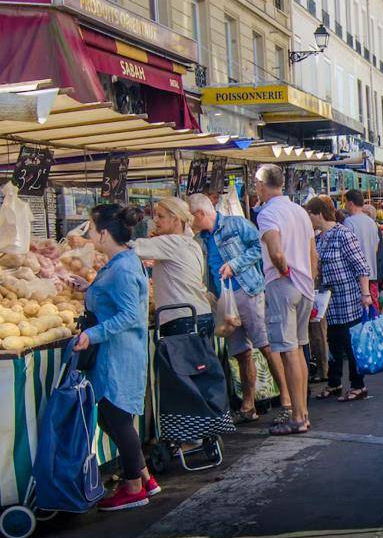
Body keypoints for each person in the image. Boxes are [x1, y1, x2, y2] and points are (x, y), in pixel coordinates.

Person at [72, 204, 158, 512]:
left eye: (92, 229)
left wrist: (91, 335)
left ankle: (133, 486)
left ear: (105, 233)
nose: (90, 235)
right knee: (113, 419)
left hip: (118, 354)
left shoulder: (122, 268)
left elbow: (129, 315)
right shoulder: (119, 262)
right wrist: (88, 287)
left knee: (117, 419)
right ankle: (144, 478)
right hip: (113, 354)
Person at [189, 194, 280, 424]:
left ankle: (288, 401)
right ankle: (248, 406)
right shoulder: (200, 238)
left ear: (200, 214)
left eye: (191, 216)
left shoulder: (235, 224)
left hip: (247, 291)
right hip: (224, 300)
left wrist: (235, 264)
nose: (189, 221)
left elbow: (260, 247)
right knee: (241, 352)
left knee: (266, 345)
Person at [254, 164, 318, 436]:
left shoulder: (268, 214)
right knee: (299, 349)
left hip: (284, 283)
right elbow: (313, 253)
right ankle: (302, 413)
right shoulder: (299, 211)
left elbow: (276, 252)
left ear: (260, 185)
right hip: (304, 285)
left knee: (289, 351)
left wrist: (285, 272)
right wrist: (309, 282)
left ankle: (297, 416)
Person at [306, 195, 373, 401]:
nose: (308, 218)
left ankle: (358, 385)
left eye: (309, 214)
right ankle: (334, 382)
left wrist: (366, 293)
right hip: (329, 300)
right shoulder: (319, 238)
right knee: (333, 341)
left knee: (350, 342)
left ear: (318, 214)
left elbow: (361, 266)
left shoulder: (343, 234)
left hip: (348, 297)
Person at [131, 197, 212, 338]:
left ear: (175, 220)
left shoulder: (171, 242)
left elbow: (130, 248)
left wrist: (95, 241)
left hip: (181, 319)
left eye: (160, 216)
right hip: (201, 314)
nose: (155, 220)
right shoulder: (191, 243)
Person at [343, 190, 383, 311]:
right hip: (372, 273)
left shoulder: (349, 222)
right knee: (373, 310)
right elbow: (376, 247)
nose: (345, 206)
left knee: (359, 312)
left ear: (350, 203)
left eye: (345, 202)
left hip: (357, 275)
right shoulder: (372, 222)